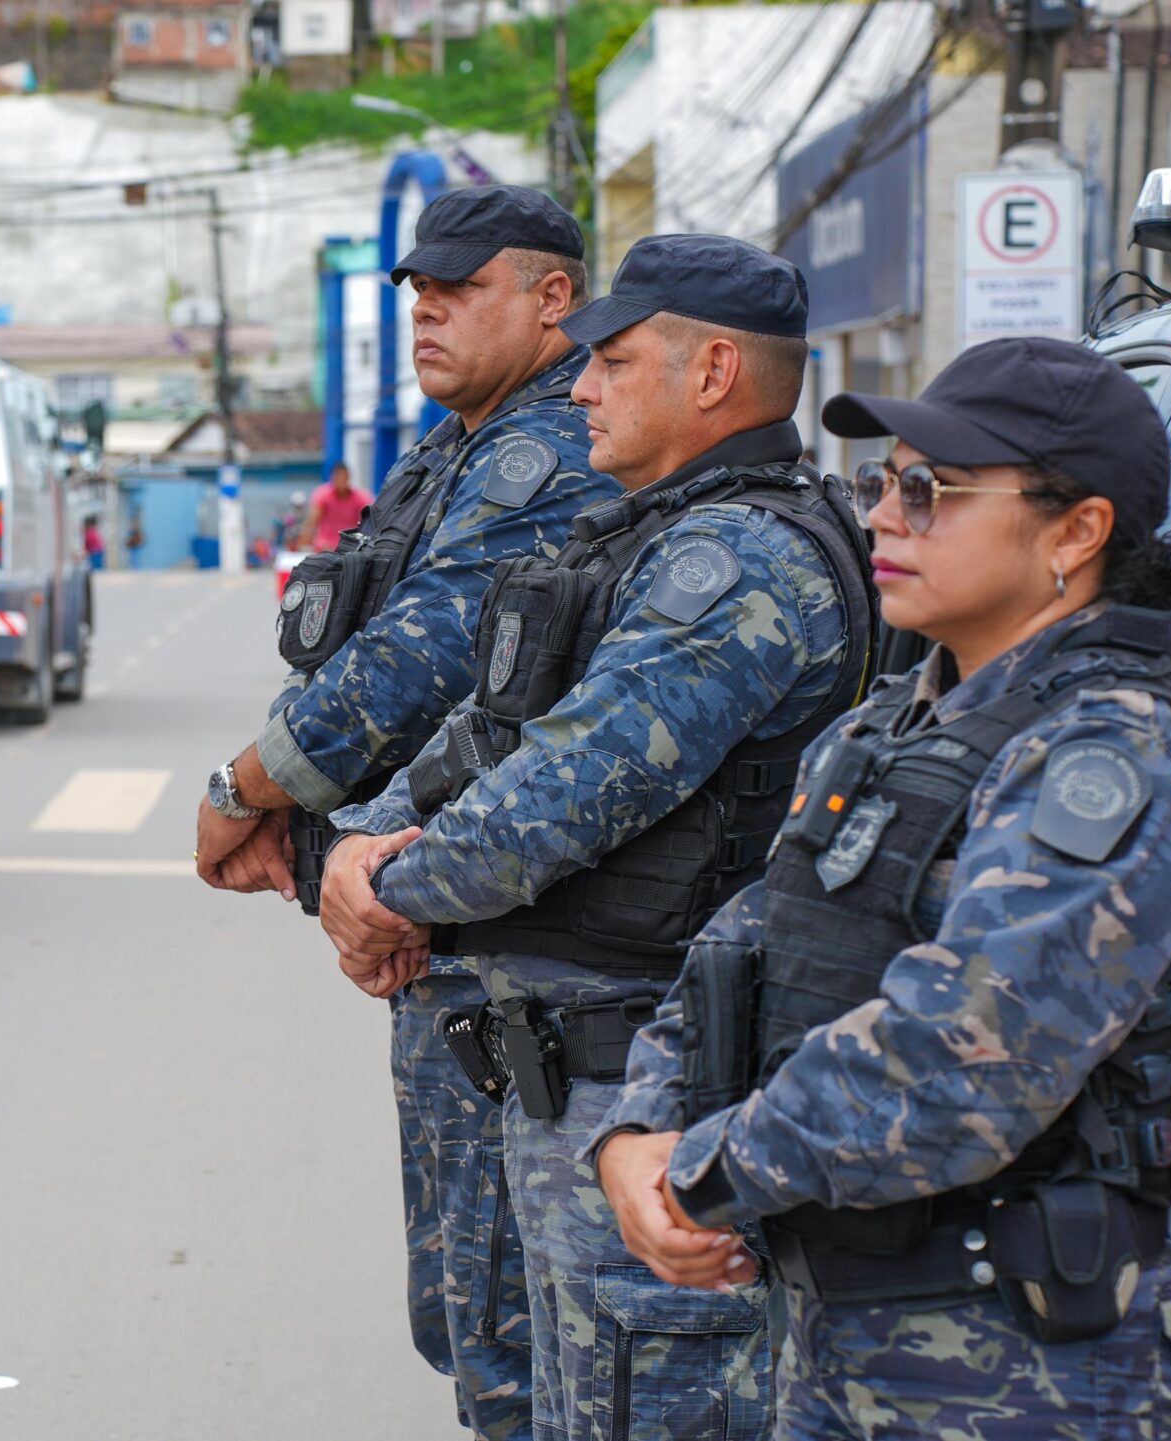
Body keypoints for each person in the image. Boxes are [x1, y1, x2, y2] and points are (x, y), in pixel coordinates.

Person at [592, 337, 1171, 1438]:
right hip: (835, 1347)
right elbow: (736, 951)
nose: (883, 517)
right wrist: (635, 1132)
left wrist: (696, 1174)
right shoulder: (887, 728)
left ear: (1076, 533)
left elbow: (964, 1056)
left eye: (927, 489)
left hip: (1029, 1374)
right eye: (877, 484)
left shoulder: (1117, 751)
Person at [320, 234, 879, 1441]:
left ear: (714, 372)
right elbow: (496, 731)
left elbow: (564, 792)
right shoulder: (646, 536)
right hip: (558, 1075)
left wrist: (386, 887)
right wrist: (356, 844)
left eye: (611, 363)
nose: (578, 390)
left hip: (645, 1082)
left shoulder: (740, 560)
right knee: (529, 1398)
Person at [191, 183, 610, 1440]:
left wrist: (241, 789)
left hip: (499, 928)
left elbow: (417, 661)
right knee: (466, 1307)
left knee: (507, 1329)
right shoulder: (465, 439)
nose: (426, 312)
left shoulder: (548, 447)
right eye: (417, 293)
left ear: (552, 301)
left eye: (460, 289)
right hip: (437, 915)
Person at [296, 461, 375, 553]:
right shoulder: (322, 495)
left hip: (351, 547)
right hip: (325, 547)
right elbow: (312, 522)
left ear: (349, 477)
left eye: (344, 477)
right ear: (332, 478)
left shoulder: (361, 496)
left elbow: (371, 518)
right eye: (338, 477)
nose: (341, 480)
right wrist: (303, 542)